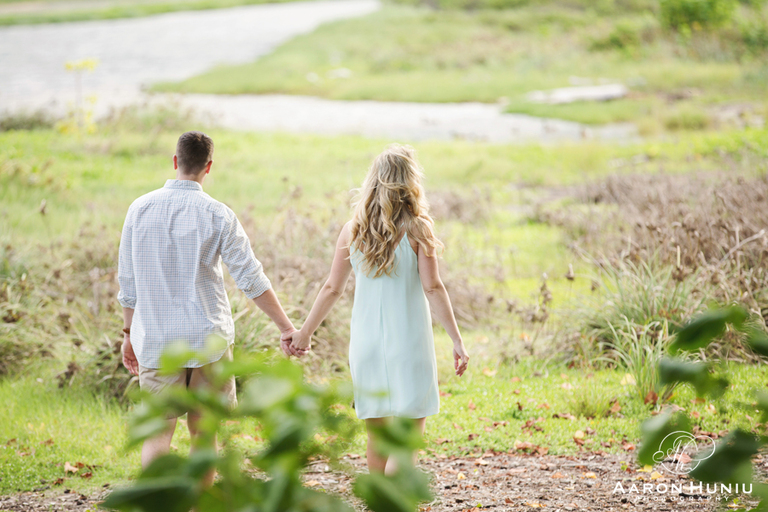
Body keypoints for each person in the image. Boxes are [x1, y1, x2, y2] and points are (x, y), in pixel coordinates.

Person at [117, 131, 297, 484]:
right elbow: (251, 278)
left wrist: (127, 333)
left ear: (175, 161)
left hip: (156, 339)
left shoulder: (139, 209)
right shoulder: (218, 214)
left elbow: (128, 283)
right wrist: (286, 327)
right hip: (208, 340)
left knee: (157, 433)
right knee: (204, 432)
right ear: (208, 166)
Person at [285, 143, 469, 474]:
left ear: (373, 181)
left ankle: (379, 497)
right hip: (409, 343)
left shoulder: (353, 229)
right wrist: (457, 339)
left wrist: (304, 333)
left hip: (366, 346)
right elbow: (433, 287)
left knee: (378, 439)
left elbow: (332, 288)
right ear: (410, 182)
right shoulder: (418, 228)